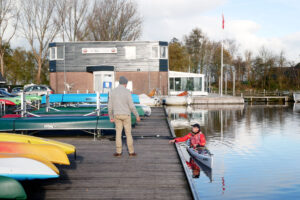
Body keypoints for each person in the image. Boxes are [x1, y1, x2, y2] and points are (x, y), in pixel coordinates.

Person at [108, 76, 141, 157]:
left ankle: (118, 152)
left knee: (118, 134)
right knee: (128, 134)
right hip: (126, 115)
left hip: (117, 115)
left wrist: (111, 117)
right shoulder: (127, 92)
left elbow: (109, 106)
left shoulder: (112, 91)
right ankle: (131, 152)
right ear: (125, 83)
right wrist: (137, 115)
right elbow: (131, 106)